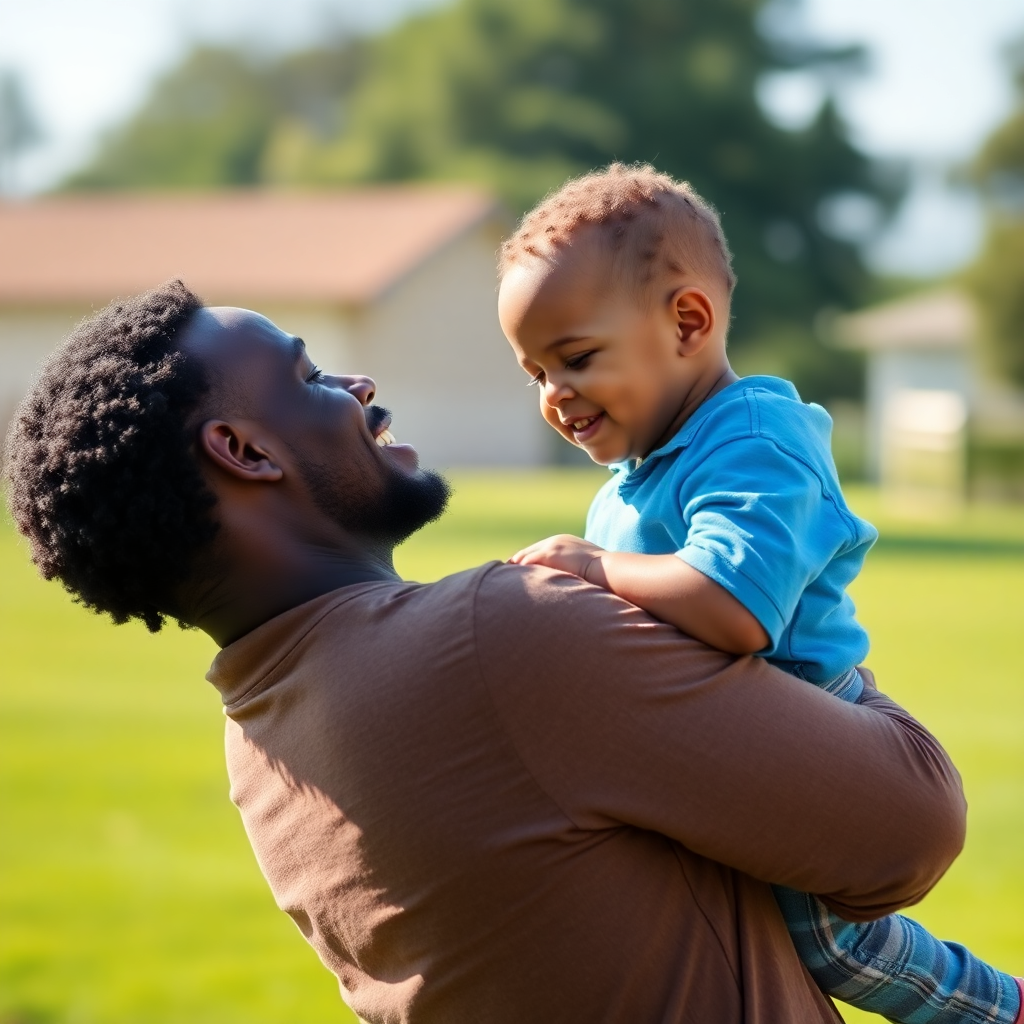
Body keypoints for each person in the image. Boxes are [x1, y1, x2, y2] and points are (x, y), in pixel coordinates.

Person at [4, 281, 974, 1024]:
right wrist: (813, 641)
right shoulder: (499, 639)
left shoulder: (259, 740)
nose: (357, 384)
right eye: (307, 379)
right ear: (246, 452)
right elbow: (911, 821)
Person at [498, 163, 1023, 1023]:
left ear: (688, 322)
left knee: (838, 950)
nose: (554, 396)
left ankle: (1001, 1009)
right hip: (716, 739)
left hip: (808, 718)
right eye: (534, 373)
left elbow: (732, 608)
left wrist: (590, 571)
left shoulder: (754, 437)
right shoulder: (633, 476)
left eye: (577, 359)